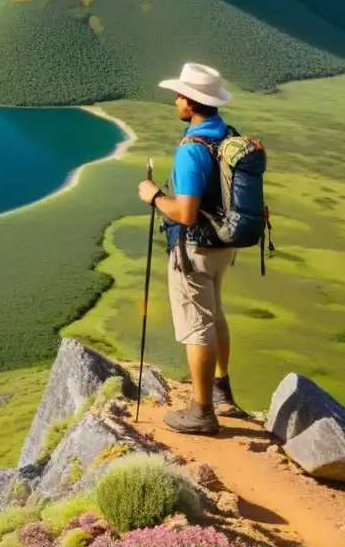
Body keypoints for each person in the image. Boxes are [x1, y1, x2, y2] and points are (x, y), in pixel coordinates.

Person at [138, 63, 248, 434]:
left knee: (197, 325)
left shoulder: (191, 148)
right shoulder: (227, 135)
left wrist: (154, 197)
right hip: (223, 246)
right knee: (215, 314)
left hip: (194, 249)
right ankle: (222, 392)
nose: (176, 100)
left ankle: (202, 412)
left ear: (191, 102)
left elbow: (185, 213)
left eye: (180, 95)